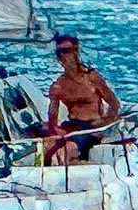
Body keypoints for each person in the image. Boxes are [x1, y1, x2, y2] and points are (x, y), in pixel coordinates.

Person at [43, 32, 120, 164]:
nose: (62, 56)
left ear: (75, 52)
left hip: (92, 128)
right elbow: (52, 116)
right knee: (45, 149)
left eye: (66, 51)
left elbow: (114, 104)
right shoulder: (59, 85)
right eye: (59, 52)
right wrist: (54, 130)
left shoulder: (91, 77)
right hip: (72, 126)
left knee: (64, 153)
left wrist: (104, 122)